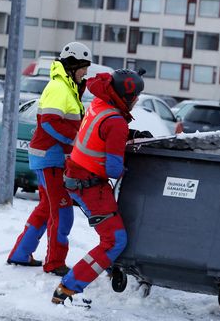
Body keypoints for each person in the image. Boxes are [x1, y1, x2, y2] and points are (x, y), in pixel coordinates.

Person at [51, 69, 146, 305]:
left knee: (114, 231)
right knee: (114, 240)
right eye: (136, 97)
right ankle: (68, 289)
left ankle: (108, 268)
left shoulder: (99, 102)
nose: (137, 101)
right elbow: (114, 169)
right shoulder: (116, 122)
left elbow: (99, 136)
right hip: (91, 187)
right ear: (127, 96)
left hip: (75, 177)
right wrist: (133, 169)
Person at [7, 42, 92, 277]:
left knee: (46, 209)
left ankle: (20, 253)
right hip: (50, 159)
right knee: (62, 212)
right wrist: (76, 140)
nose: (86, 72)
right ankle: (55, 263)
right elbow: (49, 122)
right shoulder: (58, 88)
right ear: (72, 65)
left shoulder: (67, 86)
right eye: (83, 67)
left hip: (50, 158)